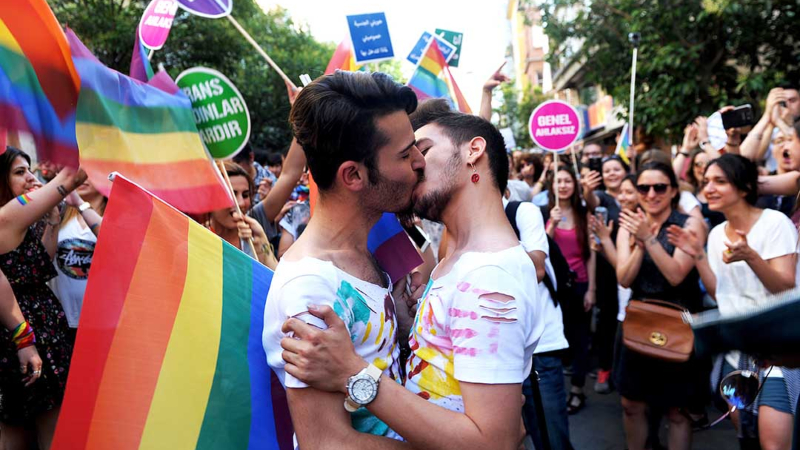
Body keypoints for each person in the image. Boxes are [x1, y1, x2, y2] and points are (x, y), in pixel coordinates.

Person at [276, 94, 545, 450]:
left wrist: (354, 373)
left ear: (473, 150)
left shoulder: (489, 275)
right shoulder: (459, 261)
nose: (416, 164)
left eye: (425, 149)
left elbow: (493, 441)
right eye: (408, 154)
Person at [262, 71, 426, 448]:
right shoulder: (312, 287)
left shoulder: (368, 251)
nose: (420, 162)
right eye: (406, 154)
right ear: (353, 175)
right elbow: (326, 442)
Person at [667, 154, 799, 450]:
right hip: (737, 358)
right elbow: (720, 294)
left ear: (744, 188)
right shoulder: (715, 235)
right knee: (747, 440)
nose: (709, 189)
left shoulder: (775, 223)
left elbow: (786, 289)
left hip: (780, 355)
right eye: (706, 182)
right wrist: (698, 255)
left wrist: (751, 256)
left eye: (720, 181)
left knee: (774, 445)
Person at [614, 161, 707, 450]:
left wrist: (648, 238)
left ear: (674, 191)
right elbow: (624, 279)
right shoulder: (628, 224)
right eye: (644, 187)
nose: (651, 193)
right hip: (639, 319)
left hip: (680, 322)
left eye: (660, 187)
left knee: (677, 411)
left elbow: (676, 275)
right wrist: (640, 245)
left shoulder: (689, 224)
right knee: (631, 403)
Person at [0, 147, 86, 449]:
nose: (29, 178)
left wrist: (51, 222)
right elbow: (73, 176)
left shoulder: (17, 220)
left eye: (29, 170)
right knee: (47, 430)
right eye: (18, 172)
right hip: (26, 334)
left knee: (20, 428)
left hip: (40, 330)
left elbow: (39, 269)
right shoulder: (6, 217)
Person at [546, 166, 596, 414]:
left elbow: (590, 255)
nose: (563, 185)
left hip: (580, 284)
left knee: (580, 339)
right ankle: (556, 390)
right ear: (552, 185)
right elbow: (540, 250)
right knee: (558, 338)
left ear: (575, 185)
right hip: (555, 288)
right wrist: (551, 226)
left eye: (568, 181)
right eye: (559, 181)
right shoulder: (544, 212)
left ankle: (577, 389)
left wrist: (592, 290)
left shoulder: (583, 214)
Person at [582, 155, 630, 393]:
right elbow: (591, 201)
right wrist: (588, 191)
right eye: (607, 170)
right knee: (607, 319)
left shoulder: (637, 194)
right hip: (606, 269)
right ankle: (604, 369)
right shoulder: (602, 198)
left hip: (633, 264)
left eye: (616, 169)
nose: (612, 173)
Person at [52, 179, 105, 347]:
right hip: (62, 319)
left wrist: (81, 204)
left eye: (89, 173)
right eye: (79, 173)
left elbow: (114, 241)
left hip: (102, 323)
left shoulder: (118, 215)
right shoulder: (60, 213)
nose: (82, 178)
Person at [207, 162, 274, 268]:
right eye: (231, 194)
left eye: (245, 195)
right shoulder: (195, 239)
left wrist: (263, 244)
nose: (241, 203)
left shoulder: (254, 239)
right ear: (210, 198)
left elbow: (277, 281)